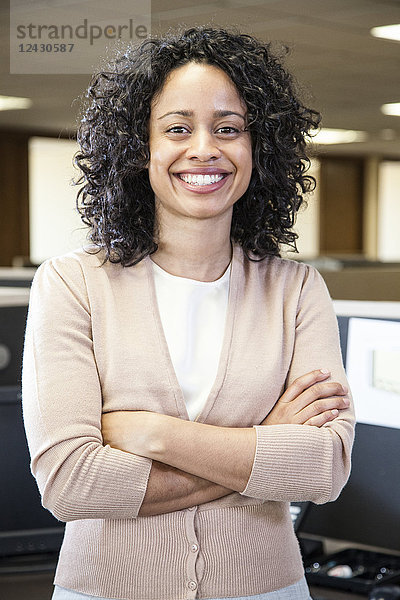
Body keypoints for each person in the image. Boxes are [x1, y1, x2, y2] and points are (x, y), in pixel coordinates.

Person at [22, 26, 355, 600]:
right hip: (108, 589)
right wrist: (265, 442)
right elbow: (71, 483)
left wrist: (153, 434)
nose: (205, 148)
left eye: (229, 129)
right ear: (138, 148)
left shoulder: (296, 290)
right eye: (177, 128)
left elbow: (322, 469)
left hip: (264, 587)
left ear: (259, 149)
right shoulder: (73, 284)